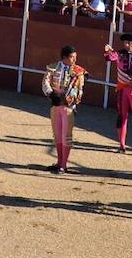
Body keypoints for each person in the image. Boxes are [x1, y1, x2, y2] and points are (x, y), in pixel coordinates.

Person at [41, 45, 87, 174]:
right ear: (64, 57)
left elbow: (80, 90)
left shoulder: (79, 71)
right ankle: (59, 162)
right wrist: (51, 94)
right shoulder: (53, 67)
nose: (74, 60)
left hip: (68, 106)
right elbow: (45, 81)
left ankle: (64, 164)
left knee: (66, 136)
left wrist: (72, 100)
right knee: (57, 135)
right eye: (72, 57)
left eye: (75, 57)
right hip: (56, 104)